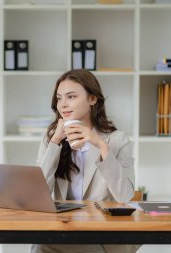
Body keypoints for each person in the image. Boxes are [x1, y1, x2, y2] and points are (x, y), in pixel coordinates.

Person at [31, 69, 139, 253]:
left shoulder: (118, 140)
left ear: (92, 99)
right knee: (40, 245)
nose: (63, 105)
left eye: (71, 97)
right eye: (59, 98)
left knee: (45, 247)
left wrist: (101, 145)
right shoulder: (51, 139)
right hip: (64, 229)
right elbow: (38, 193)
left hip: (103, 233)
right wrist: (55, 142)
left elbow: (125, 196)